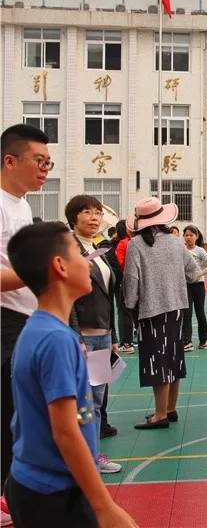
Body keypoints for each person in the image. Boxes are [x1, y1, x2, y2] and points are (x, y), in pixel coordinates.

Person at [4, 222, 137, 528]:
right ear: (60, 267)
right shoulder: (55, 340)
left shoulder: (39, 330)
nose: (88, 261)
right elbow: (65, 431)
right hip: (52, 492)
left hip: (35, 483)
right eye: (80, 254)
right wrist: (104, 507)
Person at [0, 125, 50, 513]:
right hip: (4, 323)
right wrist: (45, 271)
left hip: (25, 320)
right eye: (40, 160)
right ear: (10, 160)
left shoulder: (23, 205)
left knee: (21, 415)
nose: (45, 169)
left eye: (48, 162)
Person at [124, 197, 198, 429]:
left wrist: (129, 303)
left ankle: (159, 414)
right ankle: (170, 409)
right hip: (177, 308)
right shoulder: (176, 242)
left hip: (152, 310)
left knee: (158, 363)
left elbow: (131, 280)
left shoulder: (136, 244)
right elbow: (193, 272)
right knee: (174, 360)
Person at [64, 195, 122, 473]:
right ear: (73, 217)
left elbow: (107, 297)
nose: (94, 217)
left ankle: (93, 456)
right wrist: (76, 337)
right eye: (86, 212)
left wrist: (111, 336)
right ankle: (80, 460)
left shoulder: (99, 249)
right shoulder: (68, 250)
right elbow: (68, 298)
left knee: (96, 400)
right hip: (82, 336)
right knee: (81, 400)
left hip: (101, 335)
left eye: (97, 212)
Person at [182, 225, 207, 351]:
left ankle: (203, 339)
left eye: (191, 235)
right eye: (186, 235)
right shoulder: (181, 250)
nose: (188, 237)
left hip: (198, 285)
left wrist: (199, 274)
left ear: (197, 236)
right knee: (187, 313)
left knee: (200, 312)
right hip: (185, 285)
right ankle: (187, 341)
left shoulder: (200, 250)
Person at [111, 220, 135, 355]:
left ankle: (126, 342)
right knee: (131, 312)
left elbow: (121, 264)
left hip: (125, 282)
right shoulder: (133, 242)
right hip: (135, 281)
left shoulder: (123, 243)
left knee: (124, 312)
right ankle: (131, 340)